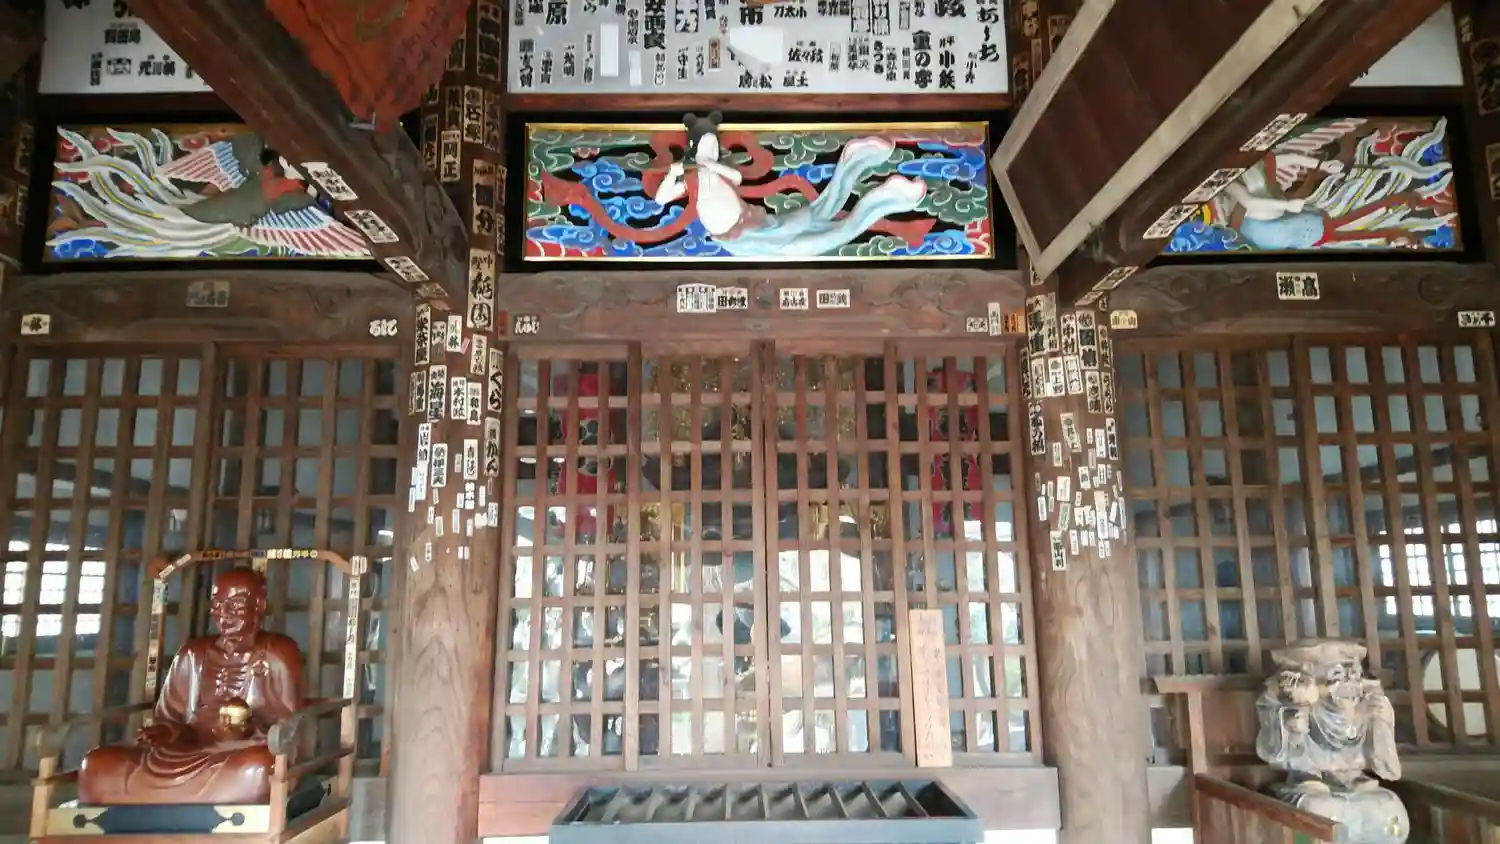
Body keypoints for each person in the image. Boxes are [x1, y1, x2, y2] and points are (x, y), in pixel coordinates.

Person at [78, 567, 302, 805]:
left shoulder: (278, 652)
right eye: (217, 604)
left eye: (235, 604)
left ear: (259, 606)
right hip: (187, 751)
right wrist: (164, 732)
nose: (224, 613)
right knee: (96, 764)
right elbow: (171, 717)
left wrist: (246, 730)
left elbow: (291, 727)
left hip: (236, 753)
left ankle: (158, 795)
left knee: (258, 767)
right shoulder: (193, 653)